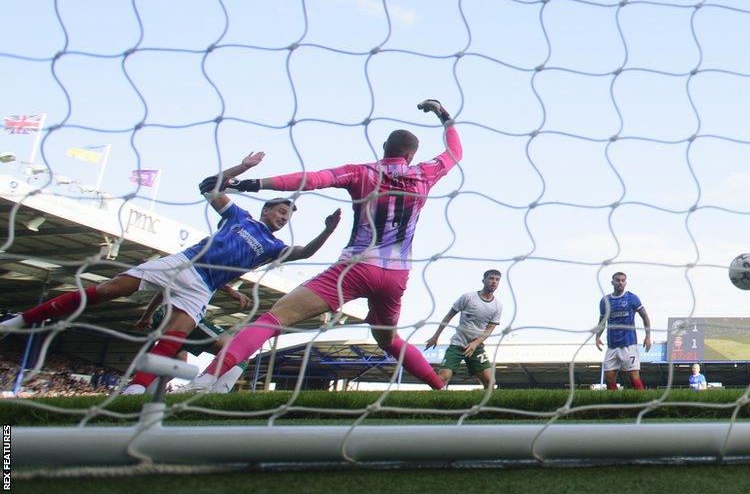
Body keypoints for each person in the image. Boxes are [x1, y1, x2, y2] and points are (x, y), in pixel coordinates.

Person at [0, 152, 339, 394]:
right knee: (107, 291)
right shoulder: (240, 218)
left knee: (175, 337)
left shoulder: (272, 247)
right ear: (267, 208)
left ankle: (136, 389)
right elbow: (209, 186)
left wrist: (326, 231)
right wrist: (244, 167)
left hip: (202, 288)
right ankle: (20, 321)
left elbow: (306, 252)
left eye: (288, 216)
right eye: (281, 211)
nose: (283, 218)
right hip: (181, 263)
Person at [182, 100, 461, 391]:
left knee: (272, 319)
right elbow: (455, 152)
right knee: (389, 340)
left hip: (355, 267)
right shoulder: (424, 174)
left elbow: (311, 180)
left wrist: (252, 184)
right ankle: (438, 387)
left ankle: (205, 381)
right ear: (411, 154)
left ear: (383, 147)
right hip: (395, 276)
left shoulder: (361, 172)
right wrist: (443, 114)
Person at [137, 286, 252, 394]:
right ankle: (210, 392)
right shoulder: (206, 270)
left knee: (178, 363)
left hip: (165, 315)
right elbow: (204, 269)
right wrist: (230, 291)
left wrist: (148, 315)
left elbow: (168, 287)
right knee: (239, 352)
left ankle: (140, 393)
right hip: (186, 314)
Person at [424, 270, 503, 388]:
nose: (494, 282)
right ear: (484, 280)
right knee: (441, 380)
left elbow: (489, 330)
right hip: (457, 345)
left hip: (476, 348)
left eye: (497, 280)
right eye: (491, 278)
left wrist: (475, 344)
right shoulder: (468, 297)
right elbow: (448, 316)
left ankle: (484, 405)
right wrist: (436, 336)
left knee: (490, 382)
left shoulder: (497, 306)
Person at [595, 272, 652, 390]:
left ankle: (642, 402)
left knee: (633, 376)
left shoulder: (632, 298)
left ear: (625, 282)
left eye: (622, 280)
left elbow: (645, 316)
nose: (620, 283)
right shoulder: (605, 301)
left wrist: (647, 336)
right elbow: (602, 322)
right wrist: (597, 337)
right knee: (609, 378)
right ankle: (614, 405)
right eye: (617, 280)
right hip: (612, 346)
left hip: (629, 345)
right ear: (612, 282)